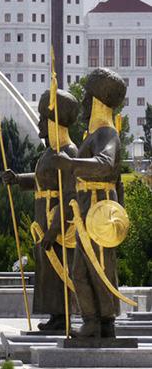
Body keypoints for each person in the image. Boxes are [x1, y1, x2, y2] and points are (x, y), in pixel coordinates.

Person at [51, 68, 127, 338]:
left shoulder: (107, 134)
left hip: (99, 208)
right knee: (84, 268)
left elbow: (106, 165)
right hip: (88, 207)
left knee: (96, 267)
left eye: (86, 97)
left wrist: (72, 163)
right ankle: (96, 321)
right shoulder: (92, 136)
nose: (82, 103)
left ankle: (101, 321)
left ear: (96, 101)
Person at [3, 89, 79, 331]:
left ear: (54, 121)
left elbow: (70, 195)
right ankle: (56, 316)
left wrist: (54, 229)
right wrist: (18, 179)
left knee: (59, 269)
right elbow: (41, 180)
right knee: (47, 272)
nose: (38, 123)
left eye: (42, 119)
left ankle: (64, 316)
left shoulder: (69, 153)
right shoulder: (49, 152)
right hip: (42, 220)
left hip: (58, 225)